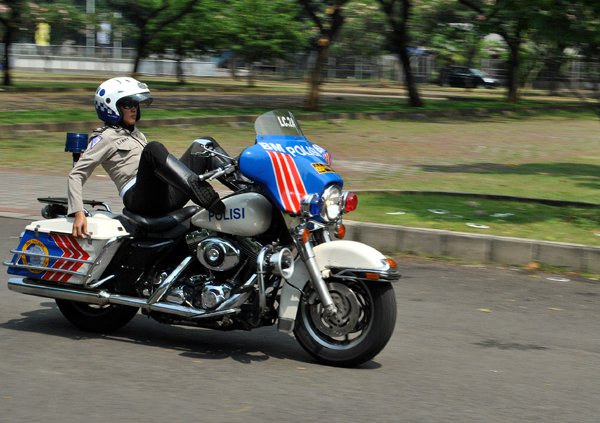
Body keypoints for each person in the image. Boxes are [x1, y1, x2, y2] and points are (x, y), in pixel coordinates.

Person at [67, 77, 225, 238]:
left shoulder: (136, 133)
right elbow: (76, 175)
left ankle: (246, 185)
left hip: (162, 194)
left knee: (203, 144)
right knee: (153, 148)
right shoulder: (104, 138)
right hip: (139, 199)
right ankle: (199, 190)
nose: (134, 109)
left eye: (136, 104)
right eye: (128, 105)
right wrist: (78, 213)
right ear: (111, 107)